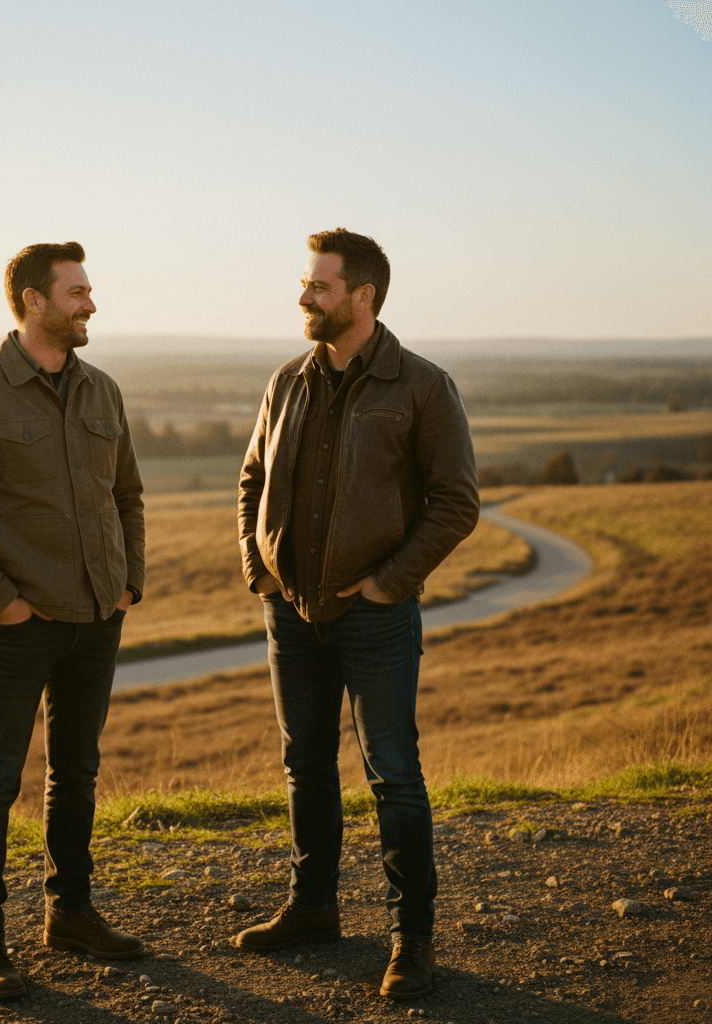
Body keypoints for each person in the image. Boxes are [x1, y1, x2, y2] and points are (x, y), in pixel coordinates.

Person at [235, 228, 479, 1000]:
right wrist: (260, 571)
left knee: (393, 776)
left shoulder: (422, 386)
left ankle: (413, 941)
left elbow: (455, 502)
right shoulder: (287, 381)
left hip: (374, 617)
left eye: (319, 285)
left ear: (362, 297)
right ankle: (314, 911)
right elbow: (250, 479)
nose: (304, 296)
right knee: (305, 767)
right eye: (306, 284)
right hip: (292, 614)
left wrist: (388, 585)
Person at [0, 241, 146, 1000]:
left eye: (88, 291)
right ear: (33, 301)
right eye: (77, 292)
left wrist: (126, 584)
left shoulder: (102, 391)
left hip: (96, 617)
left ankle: (71, 915)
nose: (90, 304)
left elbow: (128, 497)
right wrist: (3, 604)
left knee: (77, 772)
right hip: (17, 626)